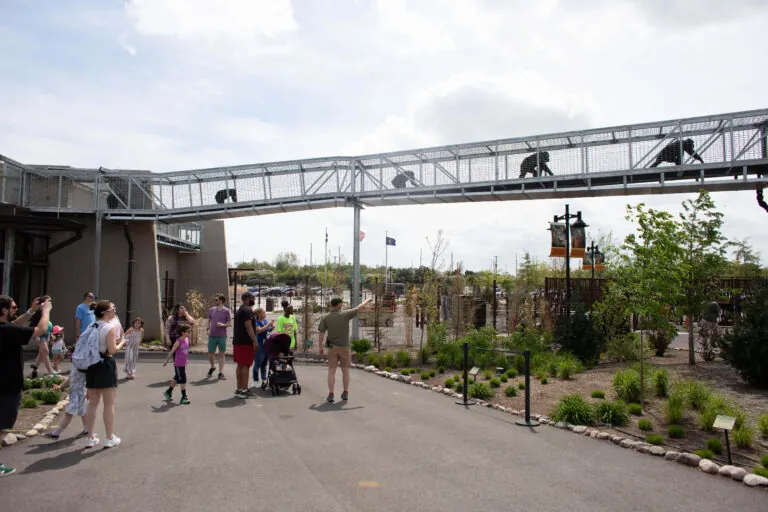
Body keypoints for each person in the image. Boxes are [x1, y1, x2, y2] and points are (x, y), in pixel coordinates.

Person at [0, 295, 51, 476]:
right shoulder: (7, 331)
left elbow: (16, 326)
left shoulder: (6, 329)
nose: (16, 310)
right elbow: (41, 329)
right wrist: (45, 311)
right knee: (3, 424)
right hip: (7, 386)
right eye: (13, 307)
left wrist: (31, 311)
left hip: (5, 384)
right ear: (4, 310)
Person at [83, 300, 126, 449]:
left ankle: (90, 437)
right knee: (109, 403)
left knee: (93, 403)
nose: (114, 311)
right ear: (105, 312)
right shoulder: (109, 327)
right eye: (112, 309)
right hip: (105, 364)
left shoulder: (91, 325)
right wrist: (122, 342)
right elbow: (112, 350)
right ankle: (109, 437)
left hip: (91, 365)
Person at [318, 297, 373, 403]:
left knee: (331, 371)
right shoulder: (345, 315)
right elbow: (359, 307)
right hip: (344, 347)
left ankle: (331, 394)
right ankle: (345, 392)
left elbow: (321, 333)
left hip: (331, 348)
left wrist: (320, 347)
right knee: (345, 370)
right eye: (341, 304)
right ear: (338, 305)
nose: (342, 305)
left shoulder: (325, 317)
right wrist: (368, 299)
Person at [46, 368, 89, 439]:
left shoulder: (83, 364)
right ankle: (86, 429)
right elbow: (70, 377)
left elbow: (90, 379)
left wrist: (89, 391)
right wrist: (60, 386)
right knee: (83, 412)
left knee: (69, 413)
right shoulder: (76, 365)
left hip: (80, 394)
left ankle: (56, 433)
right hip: (76, 393)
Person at [232, 292, 258, 398]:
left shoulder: (239, 310)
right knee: (246, 365)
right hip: (245, 343)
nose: (253, 300)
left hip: (237, 341)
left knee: (240, 365)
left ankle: (239, 389)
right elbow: (248, 326)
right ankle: (244, 390)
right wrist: (255, 341)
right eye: (252, 298)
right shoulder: (247, 311)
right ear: (247, 299)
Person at [163, 325, 191, 405]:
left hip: (183, 363)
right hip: (178, 364)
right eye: (188, 331)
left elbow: (185, 351)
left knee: (176, 378)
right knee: (183, 379)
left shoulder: (187, 339)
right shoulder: (178, 341)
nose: (189, 333)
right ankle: (184, 397)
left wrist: (186, 360)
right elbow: (172, 351)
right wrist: (166, 361)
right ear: (183, 333)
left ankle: (168, 392)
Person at [206, 293, 231, 380]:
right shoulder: (212, 310)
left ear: (221, 300)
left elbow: (230, 324)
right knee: (210, 353)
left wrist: (223, 324)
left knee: (222, 354)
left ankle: (220, 373)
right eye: (215, 299)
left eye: (216, 300)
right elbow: (208, 320)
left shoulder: (226, 311)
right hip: (212, 335)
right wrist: (208, 329)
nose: (215, 301)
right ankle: (212, 367)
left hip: (222, 336)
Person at [30, 297, 55, 377]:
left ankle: (35, 367)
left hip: (46, 334)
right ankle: (50, 370)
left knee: (42, 353)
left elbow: (48, 324)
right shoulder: (39, 312)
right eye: (48, 301)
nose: (50, 302)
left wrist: (51, 334)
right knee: (46, 351)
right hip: (40, 335)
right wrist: (36, 336)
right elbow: (34, 325)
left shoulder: (46, 311)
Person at [252, 308, 275, 383]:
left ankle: (263, 378)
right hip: (259, 343)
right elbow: (259, 330)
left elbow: (266, 331)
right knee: (258, 361)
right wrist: (268, 325)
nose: (265, 313)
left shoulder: (265, 321)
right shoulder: (255, 322)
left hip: (266, 343)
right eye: (263, 312)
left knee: (265, 361)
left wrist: (271, 328)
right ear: (259, 314)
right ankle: (255, 380)